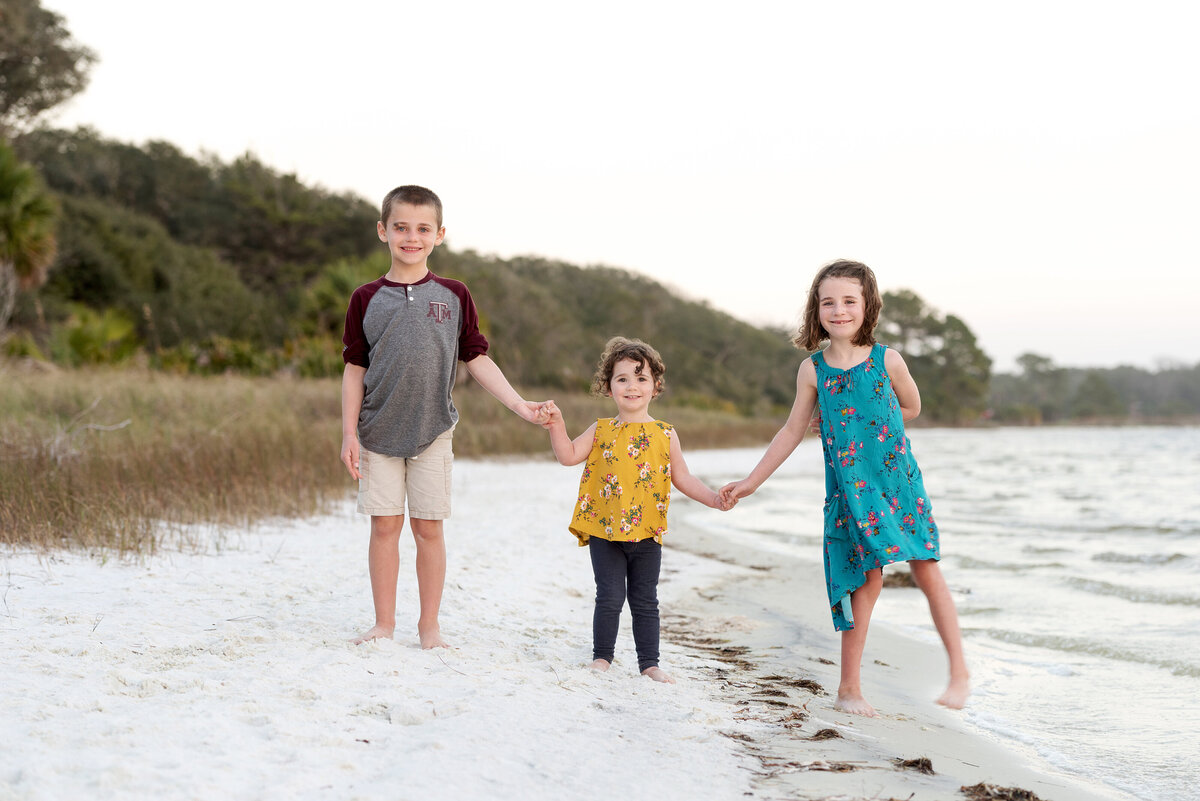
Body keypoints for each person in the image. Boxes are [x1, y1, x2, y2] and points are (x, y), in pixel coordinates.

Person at [719, 259, 969, 715]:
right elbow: (791, 431)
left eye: (849, 301)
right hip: (850, 493)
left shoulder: (887, 359)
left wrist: (860, 423)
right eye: (827, 302)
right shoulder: (812, 370)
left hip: (897, 484)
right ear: (816, 310)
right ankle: (849, 689)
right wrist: (752, 483)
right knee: (863, 581)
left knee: (925, 568)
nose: (838, 310)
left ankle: (959, 674)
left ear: (867, 305)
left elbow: (910, 407)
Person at [340, 185, 548, 649]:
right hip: (376, 431)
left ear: (439, 234)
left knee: (428, 528)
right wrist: (348, 434)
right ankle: (384, 624)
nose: (411, 237)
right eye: (400, 227)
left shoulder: (454, 295)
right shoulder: (365, 297)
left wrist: (520, 405)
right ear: (383, 231)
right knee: (384, 527)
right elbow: (355, 369)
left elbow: (476, 358)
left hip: (434, 430)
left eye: (422, 229)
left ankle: (429, 628)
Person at [541, 337, 734, 684]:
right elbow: (568, 455)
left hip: (646, 530)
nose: (632, 386)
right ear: (608, 386)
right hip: (605, 529)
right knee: (610, 596)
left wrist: (714, 499)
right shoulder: (601, 430)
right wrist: (556, 425)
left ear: (656, 386)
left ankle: (649, 663)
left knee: (645, 600)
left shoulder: (665, 434)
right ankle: (602, 657)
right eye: (623, 378)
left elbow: (684, 478)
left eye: (641, 378)